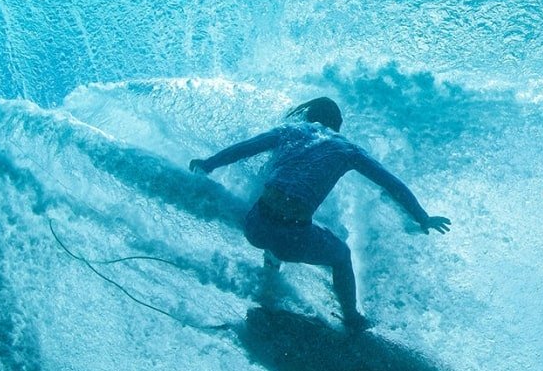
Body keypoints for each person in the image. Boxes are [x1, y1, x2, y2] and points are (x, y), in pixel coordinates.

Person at [189, 97, 450, 330]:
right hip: (293, 239)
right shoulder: (347, 149)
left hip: (255, 227)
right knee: (341, 255)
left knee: (272, 215)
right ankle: (351, 319)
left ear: (308, 118)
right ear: (337, 123)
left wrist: (208, 164)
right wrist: (422, 217)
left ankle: (269, 286)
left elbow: (243, 148)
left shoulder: (289, 131)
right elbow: (391, 184)